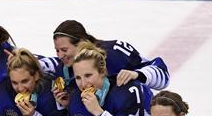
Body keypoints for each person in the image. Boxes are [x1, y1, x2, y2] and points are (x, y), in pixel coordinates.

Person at [41, 19, 170, 92]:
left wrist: (136, 74)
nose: (60, 55)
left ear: (81, 42)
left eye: (64, 50)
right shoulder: (67, 66)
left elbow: (163, 76)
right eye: (57, 50)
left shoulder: (114, 54)